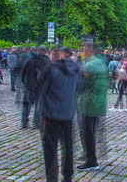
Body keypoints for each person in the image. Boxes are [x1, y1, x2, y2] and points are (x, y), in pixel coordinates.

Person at [39, 47, 80, 182]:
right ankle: (67, 176)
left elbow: (42, 91)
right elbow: (79, 88)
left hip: (52, 115)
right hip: (68, 113)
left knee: (50, 149)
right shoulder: (75, 68)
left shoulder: (50, 69)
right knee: (67, 146)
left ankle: (52, 178)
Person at [77, 44, 109, 172]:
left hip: (89, 104)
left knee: (87, 133)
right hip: (99, 103)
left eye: (83, 50)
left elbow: (80, 84)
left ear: (88, 51)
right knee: (92, 132)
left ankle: (91, 160)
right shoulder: (101, 63)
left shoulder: (89, 65)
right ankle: (89, 157)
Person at [21, 45, 50, 128]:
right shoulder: (46, 61)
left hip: (29, 86)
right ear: (45, 51)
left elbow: (23, 72)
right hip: (41, 87)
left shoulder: (30, 59)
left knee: (26, 105)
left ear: (38, 50)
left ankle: (24, 122)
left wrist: (24, 83)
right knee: (39, 106)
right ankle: (35, 123)